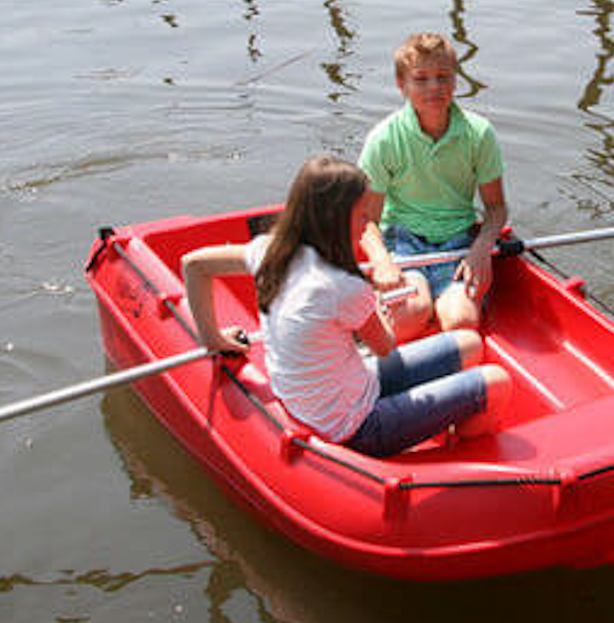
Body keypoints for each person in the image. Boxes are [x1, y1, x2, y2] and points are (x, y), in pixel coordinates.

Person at [181, 155, 511, 457]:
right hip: (358, 427)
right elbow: (384, 346)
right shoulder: (344, 286)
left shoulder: (267, 250)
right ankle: (455, 454)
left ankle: (442, 415)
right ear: (335, 219)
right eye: (363, 215)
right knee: (497, 382)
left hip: (345, 389)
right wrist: (376, 305)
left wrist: (213, 339)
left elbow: (193, 264)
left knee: (469, 342)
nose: (368, 224)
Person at [358, 33, 507, 340]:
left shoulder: (479, 133)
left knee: (462, 322)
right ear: (401, 85)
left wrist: (481, 250)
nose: (434, 87)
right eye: (420, 79)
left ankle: (443, 310)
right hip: (404, 242)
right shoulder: (384, 138)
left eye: (443, 77)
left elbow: (496, 209)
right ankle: (402, 311)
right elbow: (366, 220)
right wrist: (382, 262)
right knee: (410, 317)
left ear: (455, 79)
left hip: (458, 243)